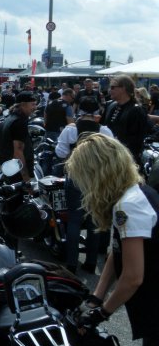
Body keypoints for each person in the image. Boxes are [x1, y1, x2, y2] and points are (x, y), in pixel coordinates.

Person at [66, 134, 159, 346]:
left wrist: (102, 313)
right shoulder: (136, 193)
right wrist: (97, 296)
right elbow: (116, 252)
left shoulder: (128, 206)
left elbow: (132, 276)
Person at [55, 97, 113, 274]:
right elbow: (112, 154)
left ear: (78, 109)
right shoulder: (104, 130)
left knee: (74, 219)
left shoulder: (70, 129)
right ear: (97, 111)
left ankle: (72, 264)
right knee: (93, 219)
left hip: (75, 176)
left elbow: (60, 152)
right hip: (97, 178)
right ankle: (91, 262)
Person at [102, 75, 148, 164]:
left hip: (125, 160)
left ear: (123, 88)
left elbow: (136, 141)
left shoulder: (136, 110)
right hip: (108, 157)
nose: (109, 90)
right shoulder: (110, 105)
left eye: (112, 87)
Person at [0, 91, 37, 182]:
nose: (35, 107)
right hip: (15, 171)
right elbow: (18, 153)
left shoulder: (10, 117)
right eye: (32, 104)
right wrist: (26, 178)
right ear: (23, 105)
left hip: (7, 167)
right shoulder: (19, 122)